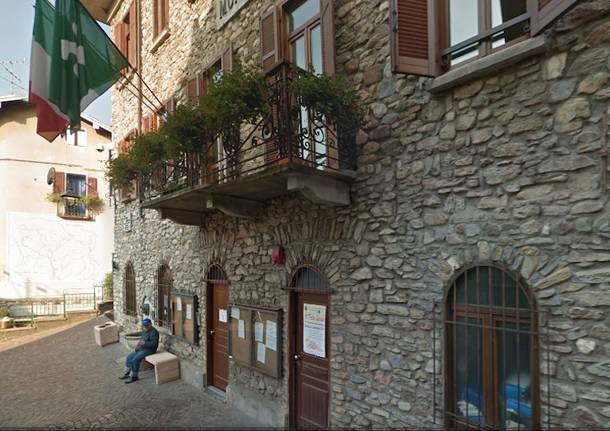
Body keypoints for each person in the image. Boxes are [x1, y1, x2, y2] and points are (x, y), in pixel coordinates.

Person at [119, 318, 159, 384]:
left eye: (146, 326)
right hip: (142, 348)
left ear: (150, 325)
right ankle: (127, 373)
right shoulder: (144, 330)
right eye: (144, 326)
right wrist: (137, 347)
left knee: (135, 359)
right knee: (129, 357)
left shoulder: (154, 332)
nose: (144, 327)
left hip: (150, 350)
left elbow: (154, 344)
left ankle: (134, 376)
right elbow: (141, 340)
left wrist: (145, 343)